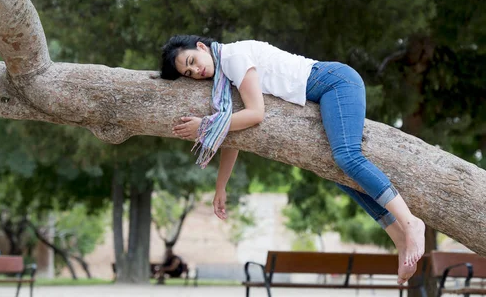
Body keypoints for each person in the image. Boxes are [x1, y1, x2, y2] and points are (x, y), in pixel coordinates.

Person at [161, 35, 426, 284]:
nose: (196, 72)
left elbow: (255, 114)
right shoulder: (225, 81)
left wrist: (204, 128)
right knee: (336, 170)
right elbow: (235, 130)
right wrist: (221, 185)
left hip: (335, 82)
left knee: (347, 157)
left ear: (202, 47)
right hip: (324, 94)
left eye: (192, 61)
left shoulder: (232, 57)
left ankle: (411, 222)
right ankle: (399, 238)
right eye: (189, 73)